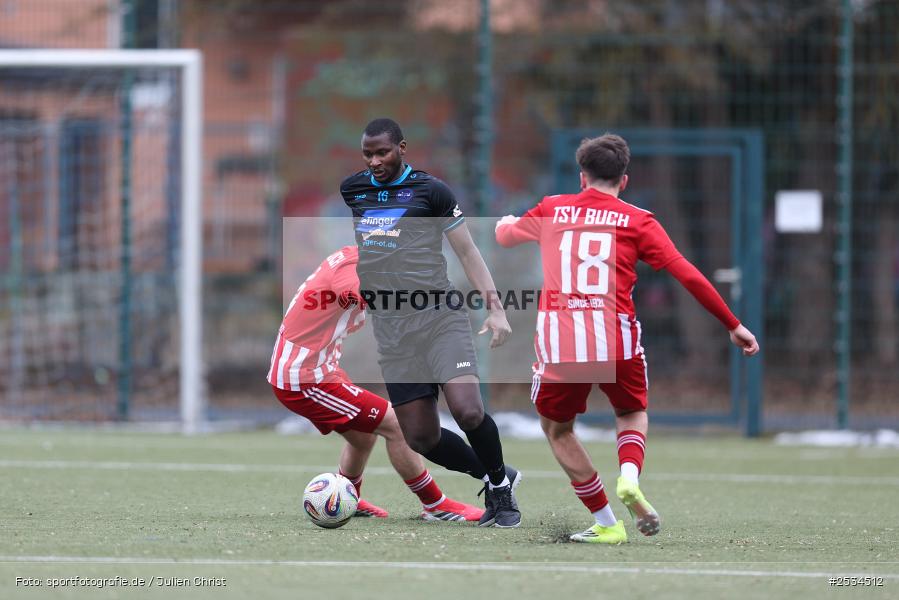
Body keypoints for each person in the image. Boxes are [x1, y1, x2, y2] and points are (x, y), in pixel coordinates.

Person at [495, 133, 759, 543]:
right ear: (625, 180)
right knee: (631, 412)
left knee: (559, 431)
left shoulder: (553, 209)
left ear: (582, 177)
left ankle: (606, 521)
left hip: (562, 345)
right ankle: (630, 477)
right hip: (616, 341)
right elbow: (686, 273)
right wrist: (732, 323)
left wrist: (506, 224)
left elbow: (505, 237)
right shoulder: (639, 220)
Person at [339, 118, 521, 528]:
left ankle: (500, 491)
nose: (374, 161)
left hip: (440, 318)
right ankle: (495, 474)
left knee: (467, 410)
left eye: (382, 152)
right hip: (392, 330)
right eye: (367, 154)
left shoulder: (432, 191)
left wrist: (496, 309)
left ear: (402, 147)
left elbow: (469, 253)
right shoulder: (353, 189)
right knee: (421, 438)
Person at [268, 245, 483, 522]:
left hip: (316, 369)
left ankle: (348, 497)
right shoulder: (353, 269)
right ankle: (435, 504)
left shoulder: (362, 258)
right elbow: (359, 292)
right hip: (305, 377)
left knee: (364, 434)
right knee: (396, 424)